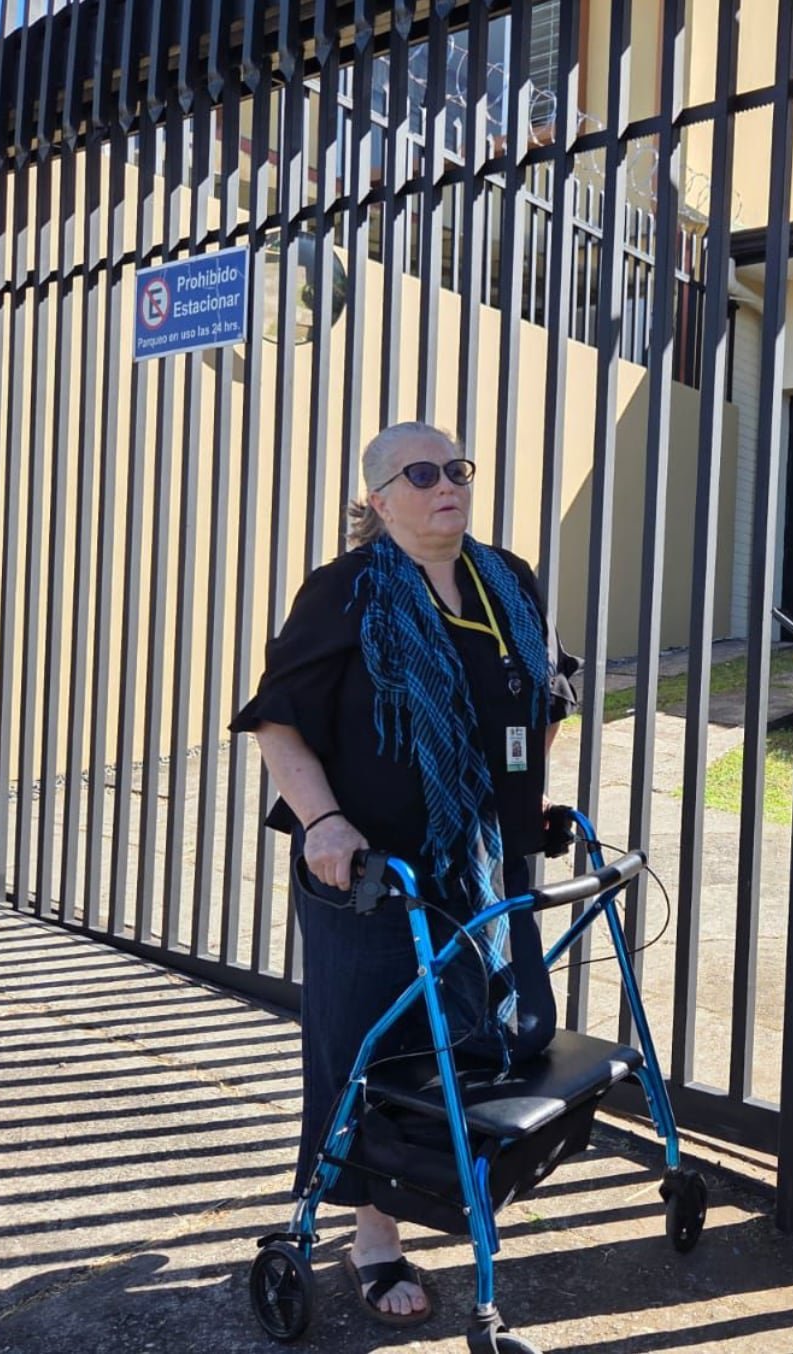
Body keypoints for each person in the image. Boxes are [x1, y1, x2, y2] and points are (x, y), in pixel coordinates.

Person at [232, 421, 580, 1326]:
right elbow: (279, 719)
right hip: (370, 871)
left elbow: (545, 692)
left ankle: (439, 1184)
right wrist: (324, 821)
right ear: (379, 501)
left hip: (477, 860)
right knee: (367, 1049)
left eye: (455, 468)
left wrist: (524, 793)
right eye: (420, 474)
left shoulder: (507, 581)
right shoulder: (345, 592)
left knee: (469, 1035)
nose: (446, 485)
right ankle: (373, 1236)